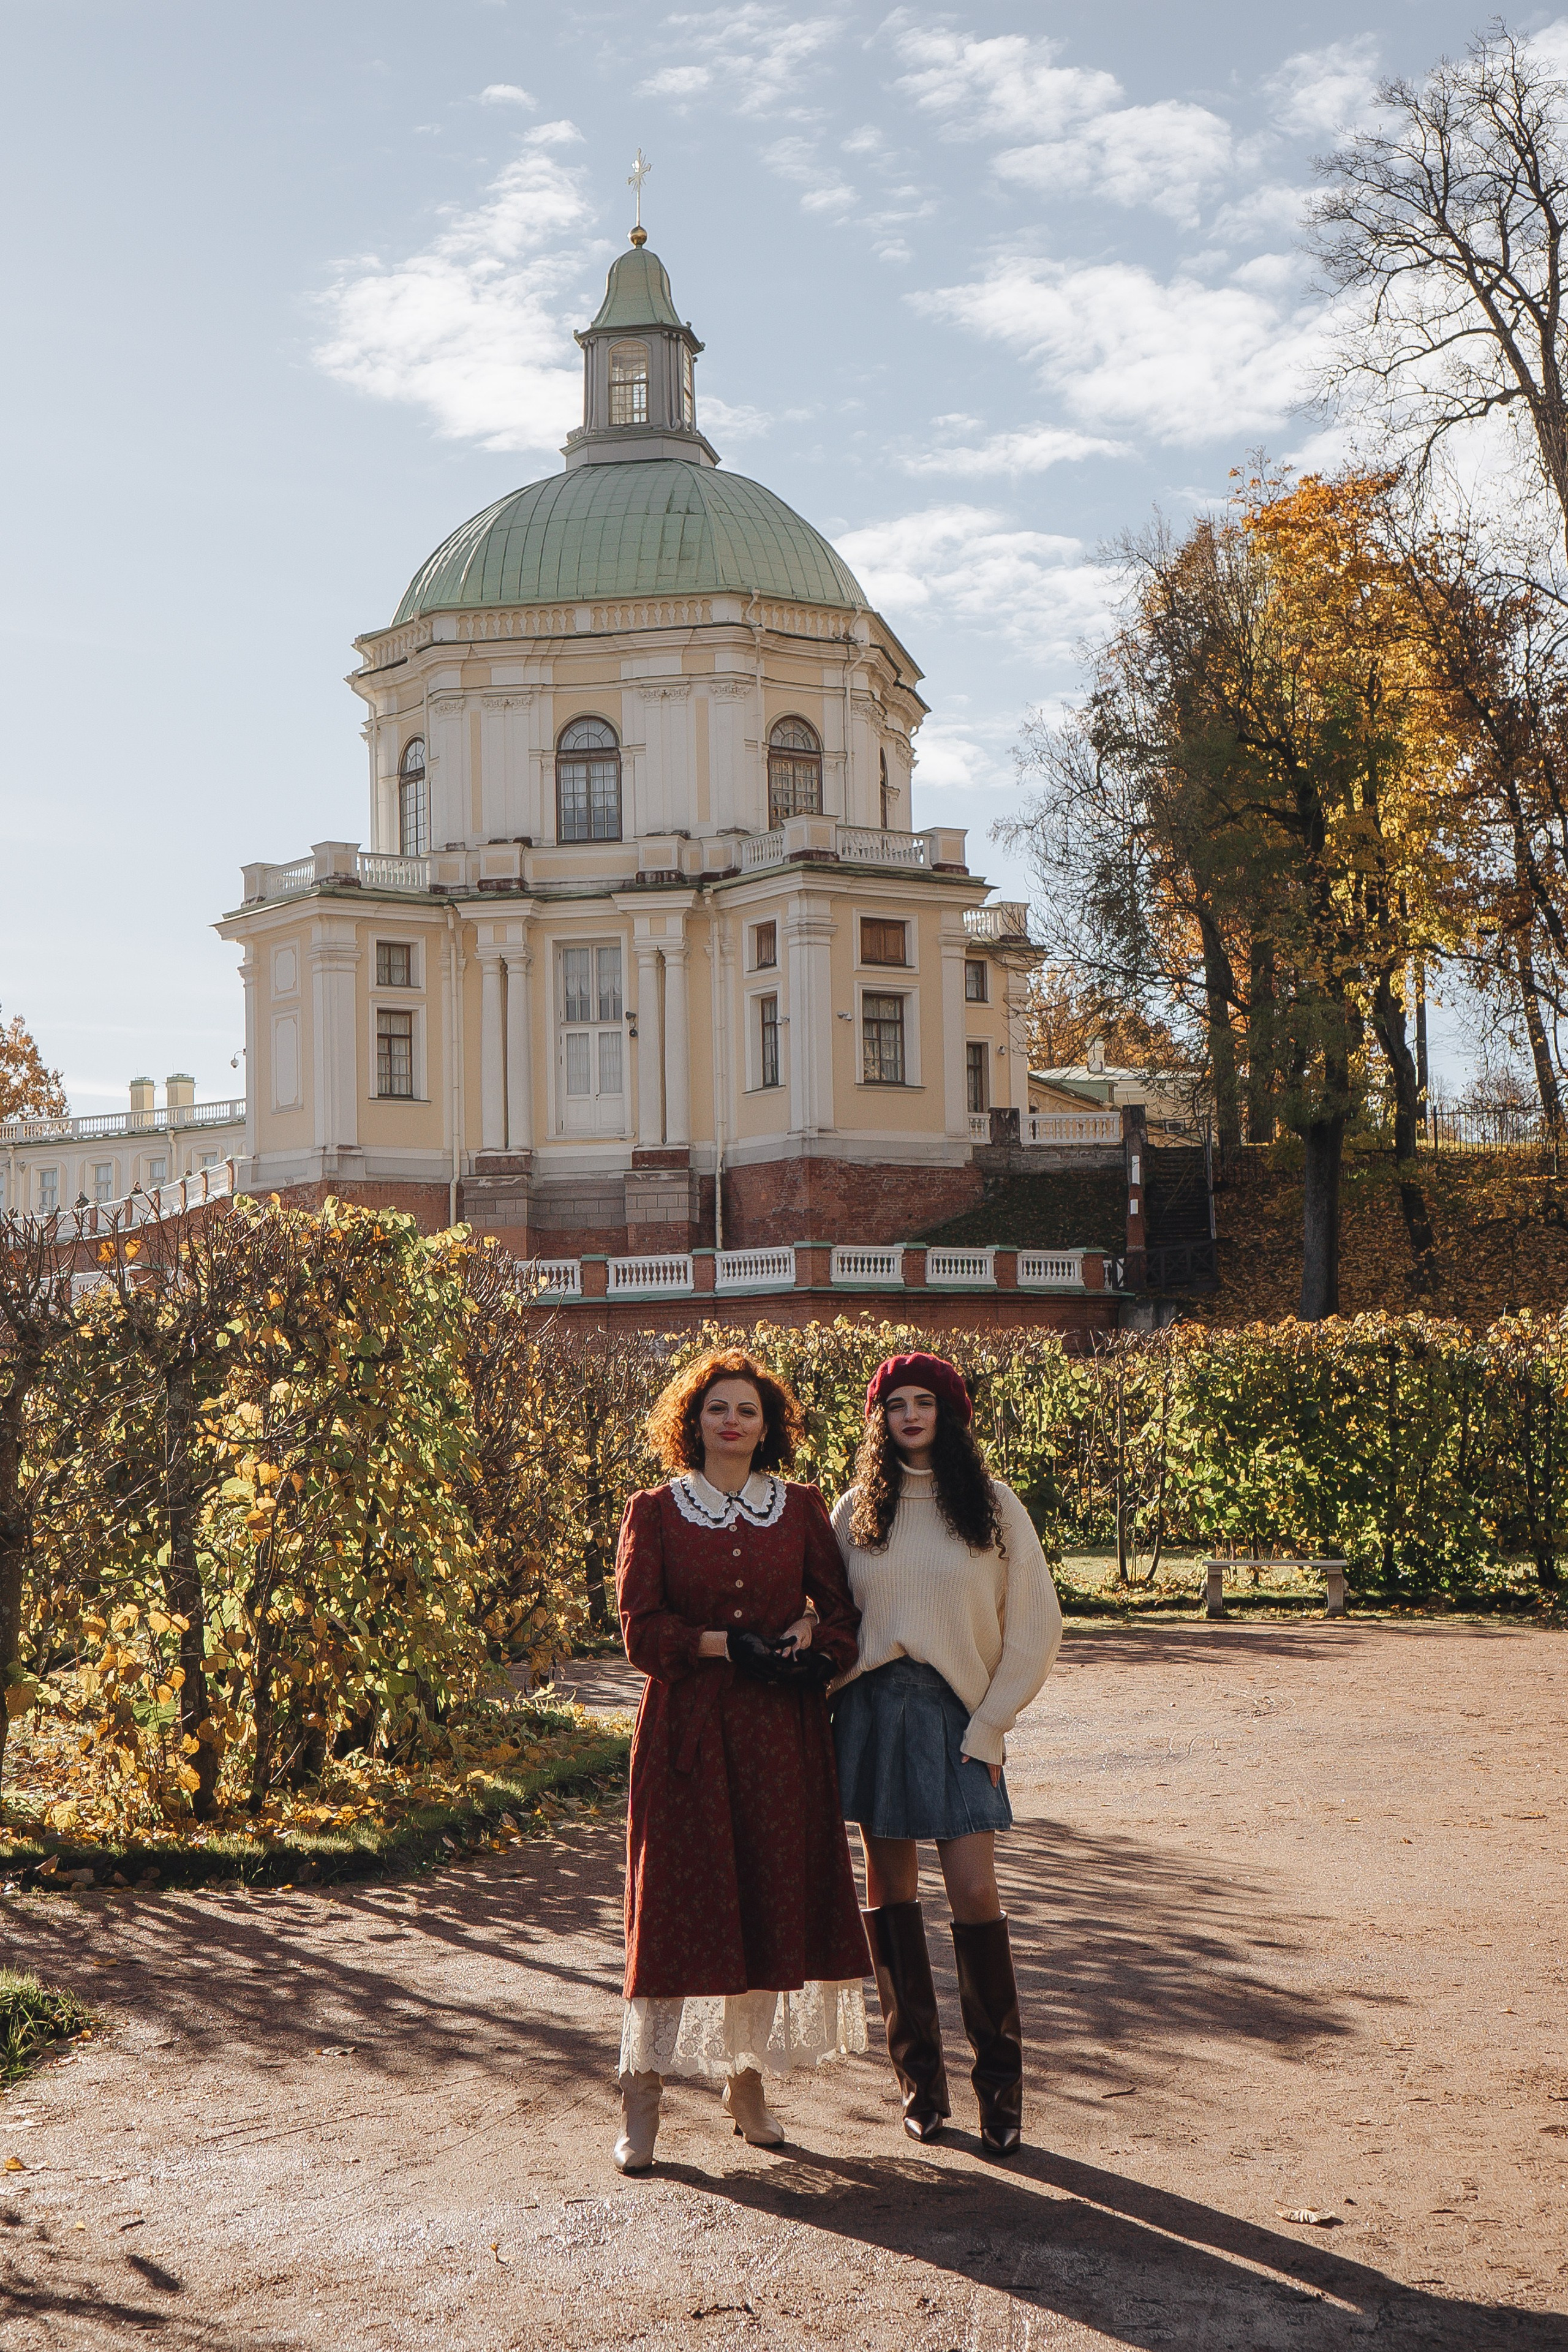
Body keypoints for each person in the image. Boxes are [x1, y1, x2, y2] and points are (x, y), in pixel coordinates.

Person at [611, 1346, 870, 2175]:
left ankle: (746, 2080)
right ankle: (641, 2090)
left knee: (765, 1904)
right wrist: (727, 1644)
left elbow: (841, 1618)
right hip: (687, 1732)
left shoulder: (798, 1508)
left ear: (769, 1426)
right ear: (692, 1422)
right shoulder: (654, 1510)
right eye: (717, 1408)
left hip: (777, 1737)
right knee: (673, 1910)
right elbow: (640, 1631)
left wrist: (805, 1642)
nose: (732, 1421)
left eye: (747, 1410)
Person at [831, 1351, 1063, 2157]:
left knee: (973, 1889)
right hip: (870, 1712)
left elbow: (1035, 1625)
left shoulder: (994, 1508)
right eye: (893, 1403)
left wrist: (991, 1724)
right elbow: (826, 1616)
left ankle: (1001, 2095)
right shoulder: (857, 1509)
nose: (908, 1414)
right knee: (890, 1889)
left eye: (924, 1400)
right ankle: (920, 2088)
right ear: (878, 1420)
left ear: (951, 1412)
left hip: (957, 1717)